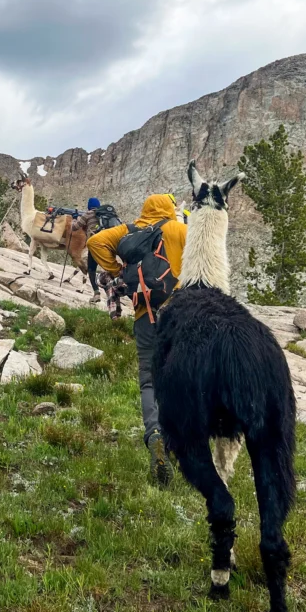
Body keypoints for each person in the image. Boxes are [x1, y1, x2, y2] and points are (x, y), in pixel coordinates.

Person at [87, 193, 187, 487]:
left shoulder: (128, 230)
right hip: (180, 313)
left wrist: (119, 272)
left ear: (145, 209)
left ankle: (155, 435)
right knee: (182, 378)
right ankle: (183, 443)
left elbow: (94, 243)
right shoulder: (180, 230)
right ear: (168, 209)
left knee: (148, 378)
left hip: (145, 311)